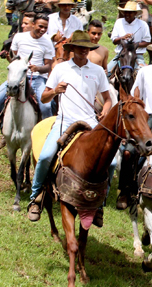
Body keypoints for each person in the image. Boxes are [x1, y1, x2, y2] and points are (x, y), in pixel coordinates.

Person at [27, 31, 114, 223]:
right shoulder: (61, 68)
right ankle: (36, 197)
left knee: (113, 162)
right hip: (65, 120)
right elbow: (44, 97)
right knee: (45, 156)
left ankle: (100, 204)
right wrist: (56, 90)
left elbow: (107, 99)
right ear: (72, 48)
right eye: (80, 48)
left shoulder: (97, 71)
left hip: (90, 121)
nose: (84, 51)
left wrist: (106, 111)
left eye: (86, 48)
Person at [0, 13, 54, 150]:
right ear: (33, 24)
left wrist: (38, 68)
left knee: (46, 106)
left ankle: (46, 140)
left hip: (37, 78)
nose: (42, 30)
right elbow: (12, 58)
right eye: (40, 26)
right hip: (17, 77)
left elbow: (48, 65)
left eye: (45, 28)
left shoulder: (48, 42)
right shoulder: (19, 37)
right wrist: (11, 62)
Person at [108, 1, 151, 74]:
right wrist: (122, 38)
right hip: (121, 55)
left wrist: (135, 45)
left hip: (137, 55)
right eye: (125, 12)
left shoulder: (143, 24)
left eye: (130, 12)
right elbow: (114, 40)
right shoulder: (119, 22)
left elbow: (147, 41)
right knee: (108, 72)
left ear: (135, 13)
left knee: (144, 74)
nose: (127, 14)